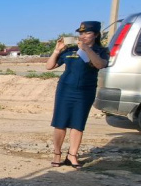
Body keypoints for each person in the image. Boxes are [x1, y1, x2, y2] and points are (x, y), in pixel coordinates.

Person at [46, 21, 110, 168]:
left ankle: (72, 156)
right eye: (81, 33)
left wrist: (87, 49)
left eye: (87, 33)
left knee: (78, 124)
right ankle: (57, 154)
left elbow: (99, 65)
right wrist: (57, 50)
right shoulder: (70, 50)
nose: (83, 36)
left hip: (85, 91)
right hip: (65, 90)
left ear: (96, 35)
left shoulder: (101, 51)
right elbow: (49, 66)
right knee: (60, 123)